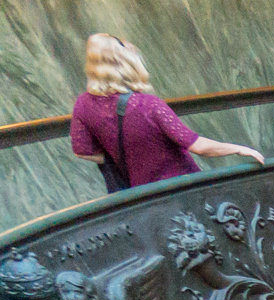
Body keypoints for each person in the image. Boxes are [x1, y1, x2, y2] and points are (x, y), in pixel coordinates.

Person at [69, 34, 263, 192]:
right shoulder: (148, 105)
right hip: (183, 190)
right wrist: (239, 149)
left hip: (140, 198)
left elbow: (82, 150)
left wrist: (125, 154)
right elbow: (198, 146)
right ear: (129, 65)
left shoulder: (83, 104)